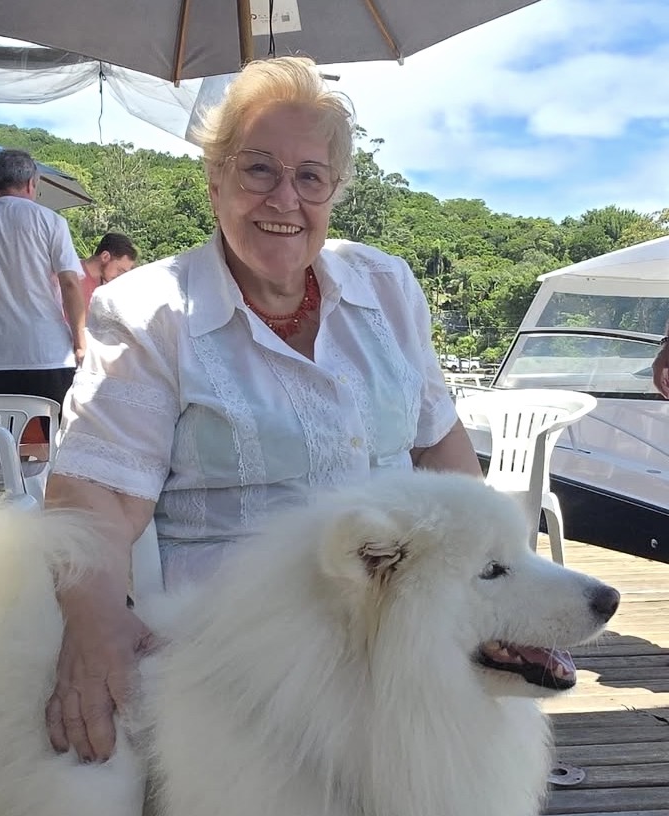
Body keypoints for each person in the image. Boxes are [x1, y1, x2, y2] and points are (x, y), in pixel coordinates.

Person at [46, 56, 481, 763]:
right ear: (215, 180)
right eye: (258, 170)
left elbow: (441, 449)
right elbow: (95, 491)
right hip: (243, 660)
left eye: (310, 176)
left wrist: (483, 581)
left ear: (334, 190)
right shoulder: (148, 310)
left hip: (403, 639)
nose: (285, 199)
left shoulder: (387, 287)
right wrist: (94, 623)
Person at [0, 149, 86, 409]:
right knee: (56, 440)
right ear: (32, 183)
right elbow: (70, 284)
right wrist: (80, 344)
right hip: (51, 356)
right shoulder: (52, 221)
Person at [80, 232, 138, 305]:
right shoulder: (71, 277)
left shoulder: (106, 288)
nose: (120, 277)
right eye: (120, 270)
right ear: (105, 256)